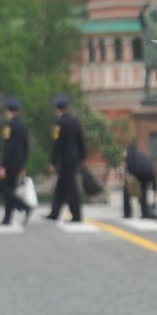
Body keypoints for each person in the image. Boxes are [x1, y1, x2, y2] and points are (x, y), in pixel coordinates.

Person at [48, 94, 86, 222]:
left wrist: (53, 162)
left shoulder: (58, 124)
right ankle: (54, 213)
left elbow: (56, 144)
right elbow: (81, 141)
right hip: (74, 159)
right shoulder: (75, 121)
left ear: (57, 109)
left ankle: (76, 215)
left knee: (71, 189)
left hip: (65, 160)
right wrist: (82, 157)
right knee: (61, 188)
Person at [0, 96, 31, 226]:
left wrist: (3, 166)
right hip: (18, 163)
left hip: (10, 163)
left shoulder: (9, 126)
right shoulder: (22, 126)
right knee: (10, 189)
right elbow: (26, 147)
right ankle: (7, 218)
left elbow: (8, 148)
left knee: (4, 189)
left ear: (8, 111)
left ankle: (24, 206)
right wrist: (23, 164)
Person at [122, 140, 157, 220]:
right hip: (151, 174)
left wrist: (128, 182)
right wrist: (155, 190)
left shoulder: (129, 153)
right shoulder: (140, 154)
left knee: (126, 191)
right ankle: (146, 213)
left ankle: (127, 213)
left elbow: (129, 167)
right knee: (143, 192)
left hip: (138, 172)